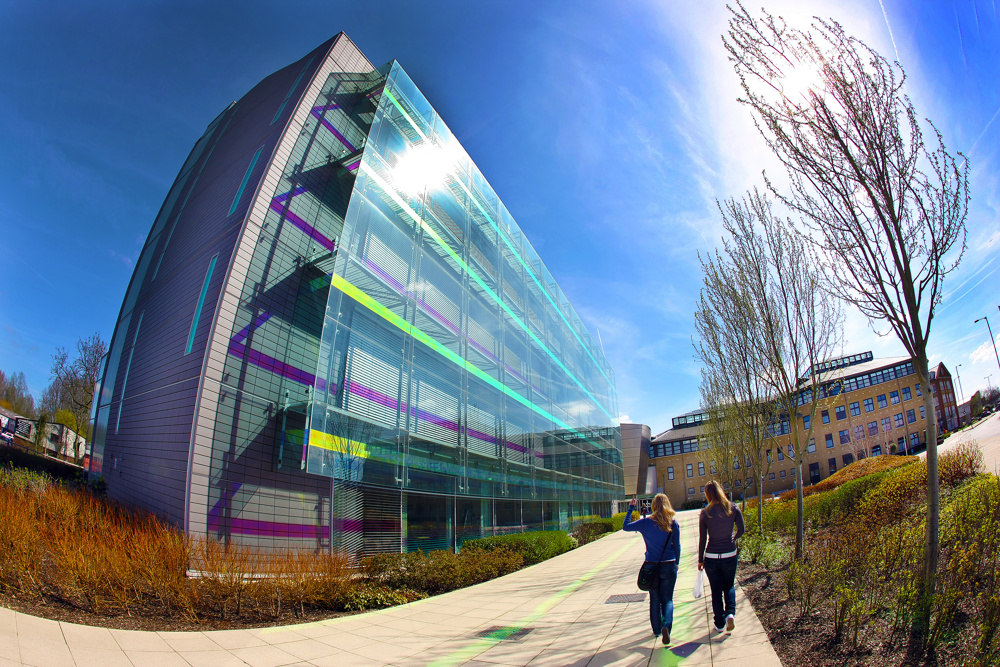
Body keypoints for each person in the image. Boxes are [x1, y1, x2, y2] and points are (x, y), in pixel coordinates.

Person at [623, 493, 680, 645]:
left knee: (654, 599)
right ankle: (666, 626)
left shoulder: (646, 523)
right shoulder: (673, 524)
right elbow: (677, 546)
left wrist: (631, 508)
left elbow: (625, 526)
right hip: (669, 565)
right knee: (667, 600)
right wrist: (677, 562)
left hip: (651, 566)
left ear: (653, 506)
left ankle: (656, 631)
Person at [698, 480, 745, 633]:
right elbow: (742, 529)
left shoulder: (705, 512)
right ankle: (730, 613)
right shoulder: (732, 508)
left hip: (711, 556)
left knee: (716, 591)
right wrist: (733, 537)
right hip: (729, 554)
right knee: (729, 586)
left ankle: (719, 624)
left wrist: (700, 559)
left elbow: (703, 539)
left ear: (708, 494)